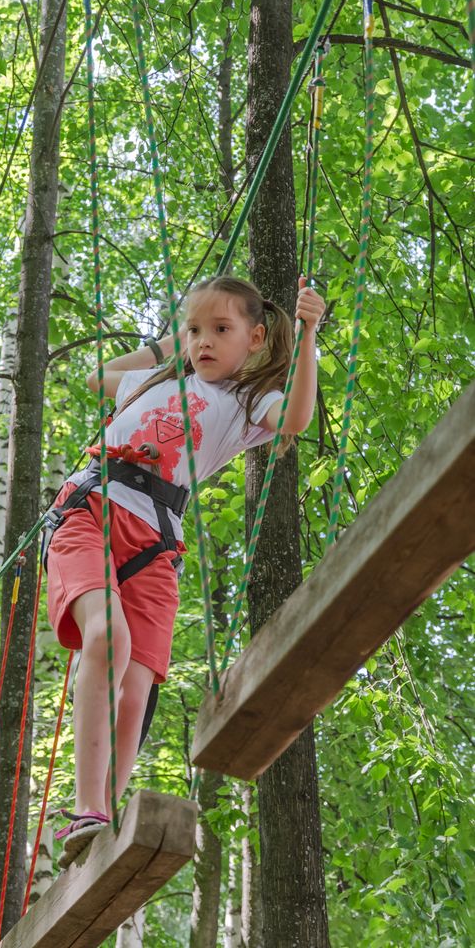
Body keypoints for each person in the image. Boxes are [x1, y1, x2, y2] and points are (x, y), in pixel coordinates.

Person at [47, 275, 325, 868]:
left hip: (157, 542)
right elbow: (98, 377)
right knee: (107, 638)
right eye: (196, 330)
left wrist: (307, 335)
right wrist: (169, 346)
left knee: (139, 681)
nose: (204, 342)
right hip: (92, 510)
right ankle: (87, 805)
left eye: (220, 330)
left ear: (253, 339)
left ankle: (101, 815)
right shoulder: (156, 379)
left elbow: (297, 418)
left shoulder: (250, 402)